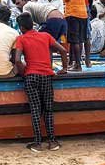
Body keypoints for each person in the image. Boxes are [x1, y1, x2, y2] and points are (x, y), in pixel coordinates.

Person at [13, 12, 68, 152]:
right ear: (33, 24)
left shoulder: (21, 38)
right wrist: (64, 68)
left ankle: (37, 142)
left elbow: (18, 60)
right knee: (48, 110)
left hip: (31, 76)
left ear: (21, 27)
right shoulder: (46, 36)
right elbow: (62, 50)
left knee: (35, 110)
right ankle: (52, 141)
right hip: (47, 76)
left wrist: (24, 72)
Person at [61, 0, 89, 70]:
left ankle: (77, 65)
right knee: (79, 39)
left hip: (72, 12)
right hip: (83, 13)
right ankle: (73, 63)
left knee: (73, 41)